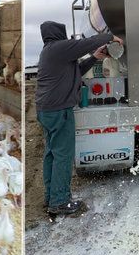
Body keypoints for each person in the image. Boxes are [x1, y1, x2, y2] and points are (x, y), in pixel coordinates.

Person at [35, 21, 123, 215]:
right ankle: (60, 202)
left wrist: (94, 58)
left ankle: (51, 197)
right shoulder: (57, 48)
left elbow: (75, 72)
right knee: (63, 156)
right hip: (59, 112)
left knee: (52, 153)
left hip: (47, 110)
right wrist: (111, 37)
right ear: (59, 33)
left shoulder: (51, 52)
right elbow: (85, 43)